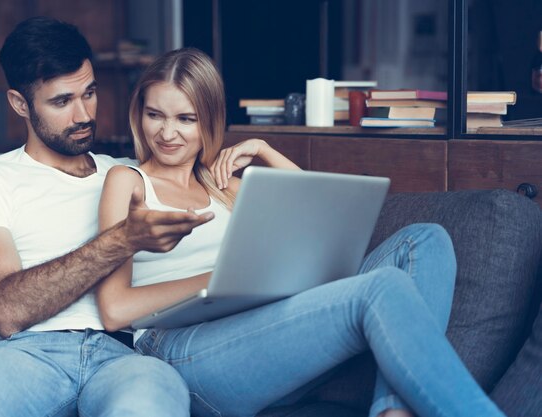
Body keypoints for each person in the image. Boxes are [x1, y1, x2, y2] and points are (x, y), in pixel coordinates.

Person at [94, 47, 508, 417]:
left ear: (210, 123)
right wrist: (214, 282)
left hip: (264, 337)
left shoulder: (228, 191)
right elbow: (114, 309)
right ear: (139, 114)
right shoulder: (127, 181)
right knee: (379, 289)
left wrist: (266, 151)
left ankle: (393, 412)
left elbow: (325, 229)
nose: (167, 133)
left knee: (425, 240)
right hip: (181, 351)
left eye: (186, 118)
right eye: (155, 115)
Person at [0, 17, 213, 417]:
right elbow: (6, 310)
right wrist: (121, 240)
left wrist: (249, 154)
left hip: (126, 353)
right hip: (28, 353)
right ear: (20, 104)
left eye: (89, 93)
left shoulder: (132, 173)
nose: (83, 115)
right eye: (61, 101)